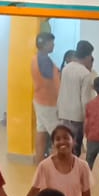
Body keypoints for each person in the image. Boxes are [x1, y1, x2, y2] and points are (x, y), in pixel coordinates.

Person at [31, 31, 62, 161]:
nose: (53, 45)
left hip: (39, 100)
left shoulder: (35, 59)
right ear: (44, 44)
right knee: (57, 135)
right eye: (51, 43)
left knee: (41, 131)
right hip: (49, 103)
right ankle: (55, 165)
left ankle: (39, 162)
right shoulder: (45, 62)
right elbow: (55, 83)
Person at [58, 40, 96, 146]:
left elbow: (62, 91)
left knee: (65, 145)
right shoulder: (85, 73)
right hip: (77, 116)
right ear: (87, 56)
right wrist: (87, 119)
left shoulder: (66, 68)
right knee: (75, 147)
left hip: (64, 113)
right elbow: (85, 100)